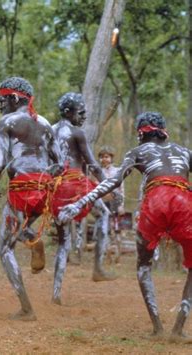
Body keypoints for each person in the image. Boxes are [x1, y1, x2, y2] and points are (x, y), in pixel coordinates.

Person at [59, 112, 191, 342]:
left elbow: (114, 181)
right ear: (163, 132)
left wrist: (80, 202)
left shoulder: (138, 151)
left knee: (143, 265)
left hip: (155, 203)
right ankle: (179, 327)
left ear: (141, 133)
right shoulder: (184, 151)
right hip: (184, 203)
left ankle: (158, 327)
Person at [0, 77, 63, 321]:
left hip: (21, 190)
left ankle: (26, 309)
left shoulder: (7, 122)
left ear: (13, 98)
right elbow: (60, 164)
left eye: (2, 100)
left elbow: (0, 161)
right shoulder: (45, 124)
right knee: (18, 230)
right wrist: (47, 181)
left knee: (4, 248)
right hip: (44, 192)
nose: (0, 105)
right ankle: (32, 239)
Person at [50, 93, 116, 306]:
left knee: (63, 242)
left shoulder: (50, 131)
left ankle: (56, 293)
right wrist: (107, 185)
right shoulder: (76, 133)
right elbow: (93, 164)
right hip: (76, 185)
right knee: (104, 213)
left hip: (56, 189)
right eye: (81, 112)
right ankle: (97, 268)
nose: (84, 116)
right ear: (68, 112)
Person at [98, 146, 125, 262]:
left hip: (116, 202)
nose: (104, 159)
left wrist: (121, 205)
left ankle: (118, 256)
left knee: (117, 230)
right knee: (106, 230)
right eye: (102, 157)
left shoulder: (117, 171)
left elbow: (122, 189)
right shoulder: (99, 173)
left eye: (106, 157)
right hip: (103, 203)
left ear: (111, 158)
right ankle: (107, 255)